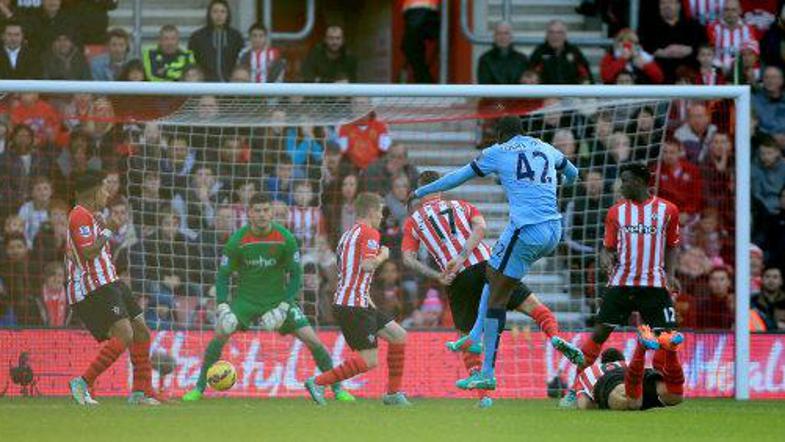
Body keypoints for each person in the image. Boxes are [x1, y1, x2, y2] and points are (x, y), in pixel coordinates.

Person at [411, 116, 580, 390]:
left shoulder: (498, 152)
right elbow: (572, 173)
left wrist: (423, 190)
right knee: (493, 273)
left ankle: (486, 369)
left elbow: (457, 177)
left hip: (527, 229)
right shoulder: (546, 147)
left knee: (496, 298)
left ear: (501, 135)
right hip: (554, 231)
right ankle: (476, 336)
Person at [182, 194, 354, 402]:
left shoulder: (285, 238)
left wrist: (284, 306)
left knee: (312, 338)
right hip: (245, 301)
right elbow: (223, 276)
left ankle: (337, 389)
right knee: (220, 332)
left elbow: (296, 276)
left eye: (265, 210)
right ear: (249, 213)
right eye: (257, 211)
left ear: (271, 213)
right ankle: (199, 388)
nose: (262, 215)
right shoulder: (237, 240)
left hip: (277, 300)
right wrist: (223, 307)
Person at [561, 163, 683, 408]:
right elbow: (607, 249)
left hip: (655, 286)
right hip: (621, 284)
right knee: (599, 333)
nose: (621, 185)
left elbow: (672, 245)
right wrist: (606, 261)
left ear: (639, 182)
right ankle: (575, 388)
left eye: (625, 181)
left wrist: (670, 275)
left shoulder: (667, 210)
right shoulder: (616, 212)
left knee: (666, 339)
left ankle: (664, 390)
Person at [304, 192, 410, 406]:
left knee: (398, 335)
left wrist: (367, 297)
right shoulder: (370, 233)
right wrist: (383, 255)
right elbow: (367, 265)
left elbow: (352, 272)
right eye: (380, 211)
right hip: (352, 305)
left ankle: (393, 393)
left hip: (356, 300)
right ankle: (318, 382)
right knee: (369, 360)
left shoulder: (347, 235)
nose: (381, 217)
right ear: (371, 212)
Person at [66, 172, 158, 406]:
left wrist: (105, 228)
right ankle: (83, 382)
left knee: (142, 332)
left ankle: (140, 392)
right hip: (97, 284)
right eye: (105, 190)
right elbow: (88, 253)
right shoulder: (79, 216)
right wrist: (108, 231)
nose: (108, 195)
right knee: (124, 334)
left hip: (112, 281)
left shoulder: (93, 217)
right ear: (94, 192)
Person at [573, 327, 684, 411]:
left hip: (611, 381)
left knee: (632, 403)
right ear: (622, 359)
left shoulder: (591, 371)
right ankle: (671, 351)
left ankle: (641, 347)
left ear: (603, 362)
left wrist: (595, 404)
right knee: (675, 396)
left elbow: (583, 404)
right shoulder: (627, 364)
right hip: (641, 374)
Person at [639, 0, 707, 83]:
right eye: (663, 3)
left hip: (689, 78)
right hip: (658, 79)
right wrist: (661, 52)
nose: (666, 6)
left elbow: (704, 46)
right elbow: (642, 48)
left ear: (678, 5)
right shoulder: (648, 27)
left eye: (670, 2)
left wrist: (690, 50)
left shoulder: (694, 26)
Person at [188, 0, 244, 82]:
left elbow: (240, 61)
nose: (219, 15)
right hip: (205, 84)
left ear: (228, 14)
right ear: (209, 14)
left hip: (231, 84)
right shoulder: (197, 37)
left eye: (223, 12)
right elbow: (193, 62)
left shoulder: (236, 36)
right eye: (215, 11)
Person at [529, 20, 593, 84]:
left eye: (559, 32)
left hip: (570, 92)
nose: (555, 36)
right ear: (546, 35)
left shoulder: (574, 51)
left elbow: (586, 75)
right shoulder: (539, 52)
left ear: (565, 35)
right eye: (551, 32)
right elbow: (530, 75)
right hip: (546, 92)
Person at [706, 0, 758, 74]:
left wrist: (737, 68)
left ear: (740, 11)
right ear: (722, 11)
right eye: (726, 10)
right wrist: (720, 66)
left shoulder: (748, 29)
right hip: (717, 72)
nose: (730, 13)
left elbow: (752, 56)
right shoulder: (712, 28)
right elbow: (707, 53)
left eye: (733, 10)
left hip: (741, 72)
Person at [599, 28, 664, 84]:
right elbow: (605, 77)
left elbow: (658, 78)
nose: (627, 45)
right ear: (617, 44)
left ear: (636, 45)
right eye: (622, 41)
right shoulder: (610, 57)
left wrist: (645, 66)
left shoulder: (644, 57)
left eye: (631, 41)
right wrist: (622, 60)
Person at [401, 0, 439, 83]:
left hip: (422, 9)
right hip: (417, 11)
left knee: (410, 46)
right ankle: (424, 81)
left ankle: (425, 82)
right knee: (410, 46)